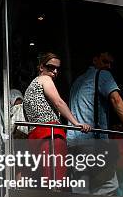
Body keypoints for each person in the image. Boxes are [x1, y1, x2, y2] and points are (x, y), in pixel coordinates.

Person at [68, 50, 123, 195]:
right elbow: (116, 100)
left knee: (81, 188)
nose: (109, 66)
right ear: (95, 60)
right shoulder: (103, 75)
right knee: (109, 186)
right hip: (93, 142)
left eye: (111, 63)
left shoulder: (77, 81)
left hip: (74, 143)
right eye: (105, 61)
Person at [23, 53, 91, 182]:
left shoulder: (30, 87)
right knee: (56, 179)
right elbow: (58, 102)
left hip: (35, 137)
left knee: (43, 181)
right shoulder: (45, 79)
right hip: (50, 134)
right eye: (50, 67)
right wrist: (76, 123)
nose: (54, 71)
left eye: (57, 68)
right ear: (41, 67)